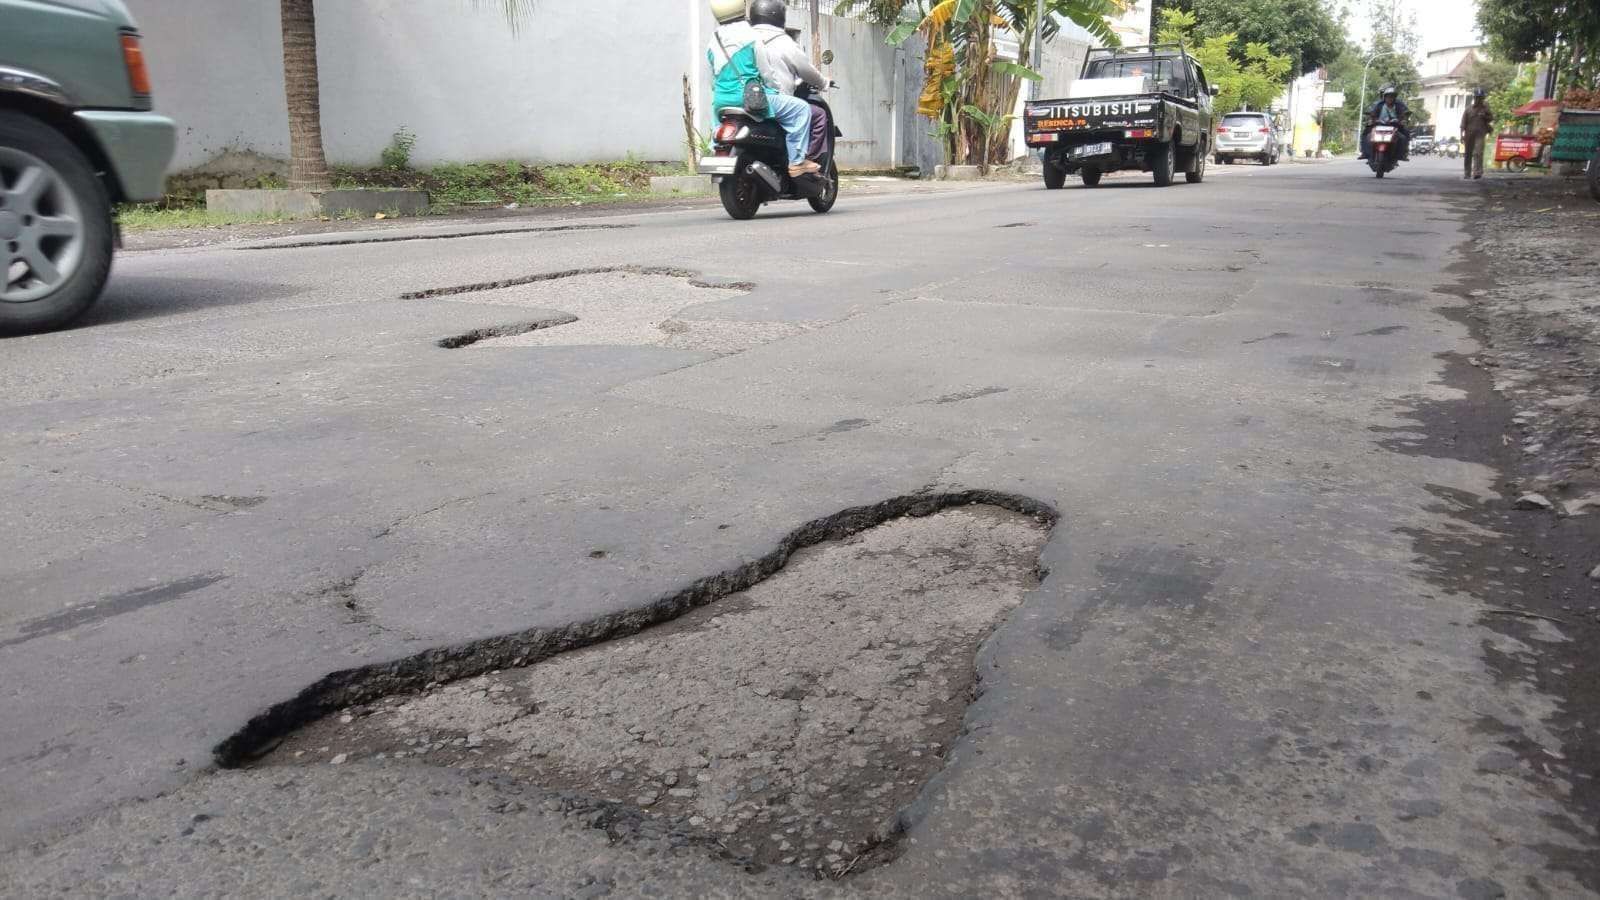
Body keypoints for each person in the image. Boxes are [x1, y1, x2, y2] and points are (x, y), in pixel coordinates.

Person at [705, 0, 818, 177]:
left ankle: (715, 148)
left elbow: (712, 79)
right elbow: (766, 72)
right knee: (801, 109)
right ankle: (796, 162)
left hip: (721, 101)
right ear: (742, 7)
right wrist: (775, 89)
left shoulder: (713, 40)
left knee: (717, 124)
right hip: (747, 97)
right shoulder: (750, 35)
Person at [748, 0, 831, 161]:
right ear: (779, 17)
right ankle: (803, 163)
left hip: (743, 100)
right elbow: (807, 70)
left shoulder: (743, 39)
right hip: (774, 101)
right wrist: (824, 82)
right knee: (818, 115)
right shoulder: (785, 42)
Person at [1360, 85, 1410, 161]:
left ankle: (1403, 153)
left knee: (1405, 134)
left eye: (1392, 96)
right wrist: (1371, 118)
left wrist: (1402, 119)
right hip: (1378, 125)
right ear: (1384, 96)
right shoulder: (1378, 104)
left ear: (1394, 97)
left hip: (1395, 126)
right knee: (1366, 134)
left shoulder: (1399, 104)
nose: (1390, 98)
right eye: (1388, 96)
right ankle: (1365, 152)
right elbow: (1371, 112)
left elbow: (1405, 112)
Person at [1461, 87, 1494, 180]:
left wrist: (1485, 116)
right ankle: (1467, 173)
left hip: (1480, 134)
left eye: (1481, 98)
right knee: (1468, 154)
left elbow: (1491, 118)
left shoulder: (1486, 109)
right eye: (1477, 97)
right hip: (1469, 135)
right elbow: (1463, 123)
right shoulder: (1468, 109)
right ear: (1474, 98)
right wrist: (1461, 135)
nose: (1479, 99)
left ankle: (1477, 172)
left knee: (1478, 153)